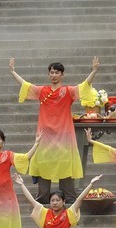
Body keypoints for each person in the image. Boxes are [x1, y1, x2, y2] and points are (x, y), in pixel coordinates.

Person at [9, 56, 100, 203]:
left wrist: (94, 71)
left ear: (62, 75)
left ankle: (70, 200)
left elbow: (84, 86)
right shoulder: (42, 91)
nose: (54, 75)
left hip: (64, 136)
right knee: (44, 166)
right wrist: (13, 72)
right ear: (48, 74)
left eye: (57, 73)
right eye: (51, 72)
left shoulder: (68, 91)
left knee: (65, 166)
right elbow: (26, 85)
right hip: (45, 136)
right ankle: (42, 200)